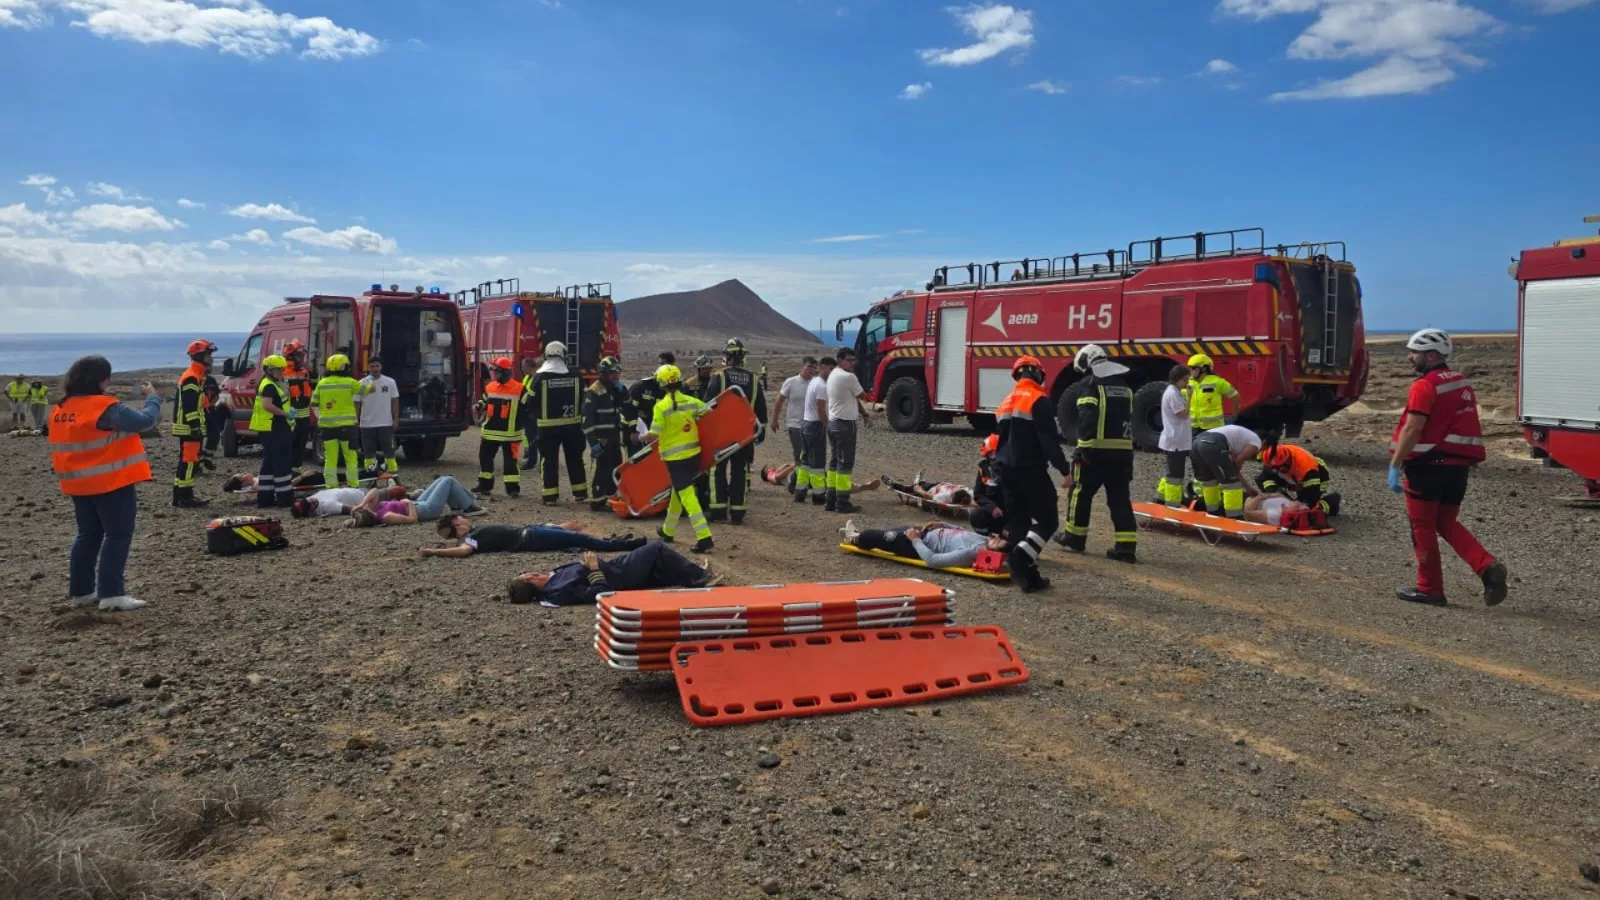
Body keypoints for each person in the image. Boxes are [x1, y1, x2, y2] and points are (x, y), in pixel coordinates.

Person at [1387, 327, 1508, 607]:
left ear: (1431, 356)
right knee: (1445, 522)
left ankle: (1430, 589)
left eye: (1414, 352)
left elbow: (1413, 428)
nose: (1409, 357)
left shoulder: (1424, 386)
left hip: (1427, 469)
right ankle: (1487, 567)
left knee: (1422, 526)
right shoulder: (1461, 382)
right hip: (1457, 469)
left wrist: (1395, 464)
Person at [48, 356, 160, 612]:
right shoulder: (104, 407)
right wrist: (153, 398)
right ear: (101, 380)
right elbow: (144, 422)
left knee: (88, 535)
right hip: (110, 482)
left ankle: (82, 592)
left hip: (78, 483)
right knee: (117, 534)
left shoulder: (61, 408)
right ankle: (112, 594)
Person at [994, 354, 1072, 592]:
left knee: (1019, 523)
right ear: (1038, 374)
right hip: (1030, 470)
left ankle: (1030, 578)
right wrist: (1065, 470)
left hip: (1005, 471)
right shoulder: (1038, 400)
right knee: (1047, 521)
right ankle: (1019, 559)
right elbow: (1048, 441)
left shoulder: (1005, 402)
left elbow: (999, 440)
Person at [1057, 345, 1138, 563]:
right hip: (1123, 453)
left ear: (1087, 362)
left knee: (1080, 493)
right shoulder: (1124, 386)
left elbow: (1087, 419)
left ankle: (1074, 538)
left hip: (1095, 452)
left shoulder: (1090, 384)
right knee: (1120, 499)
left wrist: (1082, 450)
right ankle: (1126, 548)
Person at [505, 541, 717, 607]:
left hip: (614, 568)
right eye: (524, 574)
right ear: (530, 579)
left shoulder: (552, 584)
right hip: (621, 577)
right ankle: (699, 577)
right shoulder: (559, 591)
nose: (528, 571)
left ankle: (688, 575)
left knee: (657, 566)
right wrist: (594, 568)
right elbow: (599, 593)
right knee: (656, 549)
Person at [644, 364, 714, 552]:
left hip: (676, 460)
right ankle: (668, 530)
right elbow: (709, 413)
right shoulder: (691, 401)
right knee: (678, 490)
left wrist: (641, 437)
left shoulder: (661, 407)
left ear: (661, 384)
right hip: (694, 455)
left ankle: (704, 536)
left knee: (687, 496)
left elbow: (654, 434)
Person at [701, 338, 768, 525]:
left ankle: (718, 511)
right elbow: (761, 408)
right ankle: (738, 513)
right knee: (740, 471)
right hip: (745, 434)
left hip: (721, 434)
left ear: (728, 357)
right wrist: (761, 430)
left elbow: (707, 405)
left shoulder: (719, 377)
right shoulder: (754, 379)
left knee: (717, 471)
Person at [525, 341, 588, 505]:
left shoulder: (539, 377)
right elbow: (585, 399)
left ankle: (550, 496)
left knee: (549, 461)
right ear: (564, 355)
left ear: (546, 355)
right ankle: (580, 493)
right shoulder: (575, 375)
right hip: (573, 427)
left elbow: (529, 401)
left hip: (547, 428)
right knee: (575, 459)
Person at [424, 516, 646, 556]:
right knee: (579, 538)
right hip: (530, 538)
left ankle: (607, 540)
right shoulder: (468, 539)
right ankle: (623, 544)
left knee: (572, 528)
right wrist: (434, 552)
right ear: (457, 523)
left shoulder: (473, 531)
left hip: (531, 529)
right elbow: (464, 551)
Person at [843, 520, 1006, 570]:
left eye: (997, 542)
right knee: (886, 533)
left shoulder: (969, 554)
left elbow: (932, 560)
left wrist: (915, 540)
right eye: (998, 538)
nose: (996, 538)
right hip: (925, 533)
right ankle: (858, 535)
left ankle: (853, 538)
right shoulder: (985, 540)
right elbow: (962, 532)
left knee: (871, 535)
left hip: (917, 545)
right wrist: (942, 524)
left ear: (996, 554)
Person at [583, 357, 635, 512]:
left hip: (614, 436)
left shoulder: (616, 389)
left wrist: (624, 393)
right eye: (613, 373)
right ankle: (596, 501)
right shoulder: (594, 391)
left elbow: (629, 408)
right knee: (600, 469)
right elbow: (586, 420)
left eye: (618, 372)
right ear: (604, 373)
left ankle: (610, 498)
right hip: (601, 438)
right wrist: (593, 442)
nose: (616, 376)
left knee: (615, 468)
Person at [825, 348, 872, 513]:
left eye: (854, 360)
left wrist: (864, 414)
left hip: (833, 423)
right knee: (845, 465)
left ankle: (831, 499)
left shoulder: (833, 375)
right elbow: (863, 396)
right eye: (849, 360)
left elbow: (852, 398)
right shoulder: (849, 377)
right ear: (839, 360)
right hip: (845, 425)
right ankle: (842, 502)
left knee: (834, 463)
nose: (852, 363)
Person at [170, 338, 216, 508]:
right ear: (200, 356)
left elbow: (198, 401)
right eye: (208, 355)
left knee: (186, 461)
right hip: (188, 428)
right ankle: (185, 497)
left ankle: (179, 496)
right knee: (189, 462)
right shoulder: (191, 377)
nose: (211, 358)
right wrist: (195, 426)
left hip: (188, 427)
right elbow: (189, 405)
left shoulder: (197, 376)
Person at [476, 356, 528, 497]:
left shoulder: (519, 388)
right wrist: (479, 405)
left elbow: (529, 405)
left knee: (510, 463)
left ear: (505, 372)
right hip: (490, 432)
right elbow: (484, 400)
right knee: (485, 459)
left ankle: (512, 489)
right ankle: (484, 486)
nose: (494, 374)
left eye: (496, 372)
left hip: (510, 434)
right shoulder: (490, 387)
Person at [342, 476, 486, 526]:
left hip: (419, 504)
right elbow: (412, 519)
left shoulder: (374, 508)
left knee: (442, 479)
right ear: (367, 513)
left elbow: (374, 491)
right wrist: (409, 503)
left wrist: (361, 504)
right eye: (364, 508)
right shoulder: (386, 516)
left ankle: (459, 505)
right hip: (427, 510)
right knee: (448, 481)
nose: (366, 506)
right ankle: (467, 506)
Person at [1189, 423, 1262, 519]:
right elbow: (1236, 466)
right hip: (1211, 444)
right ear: (1264, 441)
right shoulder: (1257, 442)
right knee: (1232, 484)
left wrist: (1247, 486)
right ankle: (1234, 516)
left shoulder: (1239, 439)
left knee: (1209, 481)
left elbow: (1233, 467)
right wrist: (1246, 486)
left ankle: (1213, 512)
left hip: (1195, 443)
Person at [311, 353, 363, 488]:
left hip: (328, 427)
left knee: (330, 458)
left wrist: (320, 416)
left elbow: (314, 403)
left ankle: (331, 486)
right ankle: (353, 485)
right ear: (343, 367)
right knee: (350, 457)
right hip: (347, 428)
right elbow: (369, 389)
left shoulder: (321, 383)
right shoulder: (350, 382)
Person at [251, 354, 295, 508]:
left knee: (269, 464)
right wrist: (285, 414)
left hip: (268, 427)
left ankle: (265, 498)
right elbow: (267, 405)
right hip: (274, 427)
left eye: (282, 369)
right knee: (281, 463)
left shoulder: (269, 383)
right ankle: (285, 498)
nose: (281, 372)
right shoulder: (269, 385)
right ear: (269, 369)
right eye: (278, 369)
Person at [1257, 436, 1340, 516]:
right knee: (1262, 479)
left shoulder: (1307, 469)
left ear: (1287, 461)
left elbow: (1311, 498)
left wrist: (1301, 505)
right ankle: (1285, 501)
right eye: (1275, 468)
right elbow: (1266, 476)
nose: (1279, 470)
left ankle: (1329, 504)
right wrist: (1277, 496)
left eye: (1281, 467)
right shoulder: (1272, 461)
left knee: (1308, 509)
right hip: (1296, 478)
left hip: (1318, 476)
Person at [771, 357, 817, 492]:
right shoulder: (791, 382)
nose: (811, 370)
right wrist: (774, 420)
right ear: (802, 367)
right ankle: (798, 485)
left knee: (812, 456)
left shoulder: (816, 383)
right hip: (795, 424)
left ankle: (802, 482)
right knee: (800, 455)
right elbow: (779, 401)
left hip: (812, 425)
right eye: (809, 366)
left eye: (814, 367)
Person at [795, 355, 834, 504]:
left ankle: (800, 491)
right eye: (830, 369)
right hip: (815, 426)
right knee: (817, 462)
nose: (832, 372)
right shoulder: (822, 386)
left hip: (806, 424)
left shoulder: (814, 381)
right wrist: (828, 426)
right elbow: (820, 409)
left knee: (805, 461)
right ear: (822, 368)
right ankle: (818, 495)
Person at [1155, 365, 1192, 506]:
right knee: (1175, 475)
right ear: (1179, 379)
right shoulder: (1173, 394)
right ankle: (1173, 503)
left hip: (1175, 439)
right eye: (1186, 380)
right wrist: (1190, 397)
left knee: (1171, 471)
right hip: (1175, 440)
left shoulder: (1174, 392)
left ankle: (1161, 496)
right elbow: (1183, 414)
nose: (1187, 383)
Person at [358, 356, 400, 477]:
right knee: (368, 449)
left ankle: (391, 470)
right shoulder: (361, 383)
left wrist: (396, 419)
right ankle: (370, 471)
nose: (375, 369)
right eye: (372, 366)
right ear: (368, 368)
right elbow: (357, 403)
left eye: (377, 366)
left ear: (381, 367)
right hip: (367, 423)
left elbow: (395, 401)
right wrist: (356, 419)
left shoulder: (390, 382)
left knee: (388, 447)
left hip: (385, 422)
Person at [281, 341, 315, 473]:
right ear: (291, 356)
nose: (302, 357)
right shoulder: (282, 371)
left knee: (300, 447)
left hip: (304, 416)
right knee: (288, 446)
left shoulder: (304, 370)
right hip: (289, 418)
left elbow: (314, 385)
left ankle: (297, 472)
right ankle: (286, 472)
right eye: (299, 355)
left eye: (302, 355)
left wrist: (312, 373)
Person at [627, 351, 677, 442]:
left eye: (665, 365)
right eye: (660, 364)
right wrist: (633, 431)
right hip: (642, 434)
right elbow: (629, 410)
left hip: (667, 436)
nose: (661, 368)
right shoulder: (641, 386)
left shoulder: (677, 389)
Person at [1185, 354, 1239, 433]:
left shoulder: (1218, 382)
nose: (1190, 371)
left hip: (1214, 428)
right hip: (1193, 427)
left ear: (1204, 369)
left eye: (1193, 368)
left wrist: (1234, 416)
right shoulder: (1189, 382)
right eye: (1189, 368)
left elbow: (1235, 396)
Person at [884, 474, 972, 506]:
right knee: (920, 485)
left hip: (929, 490)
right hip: (937, 485)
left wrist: (919, 490)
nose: (955, 489)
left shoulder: (945, 497)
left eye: (954, 492)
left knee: (911, 488)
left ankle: (894, 485)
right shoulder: (967, 492)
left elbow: (928, 496)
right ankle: (920, 482)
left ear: (953, 496)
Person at [289, 485, 371, 518]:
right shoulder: (327, 506)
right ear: (310, 512)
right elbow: (353, 509)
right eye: (308, 505)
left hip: (357, 490)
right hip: (365, 497)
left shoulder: (311, 498)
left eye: (306, 501)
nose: (311, 501)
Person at [200, 374, 225, 471]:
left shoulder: (211, 380)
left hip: (209, 411)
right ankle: (198, 463)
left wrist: (210, 406)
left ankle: (208, 458)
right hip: (198, 412)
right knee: (198, 437)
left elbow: (217, 396)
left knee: (215, 435)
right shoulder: (194, 380)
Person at [1243, 492, 1311, 526]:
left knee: (1237, 484)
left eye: (1298, 505)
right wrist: (1263, 496)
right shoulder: (1288, 504)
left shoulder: (1276, 515)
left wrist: (1259, 497)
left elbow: (1248, 514)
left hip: (1247, 503)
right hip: (1256, 498)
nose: (1297, 501)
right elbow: (1278, 495)